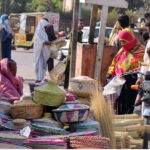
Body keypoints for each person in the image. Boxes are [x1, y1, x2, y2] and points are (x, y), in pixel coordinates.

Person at [107, 16, 145, 114]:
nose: (123, 44)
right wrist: (110, 72)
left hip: (133, 83)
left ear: (130, 39)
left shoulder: (141, 51)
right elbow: (114, 62)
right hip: (120, 83)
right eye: (121, 42)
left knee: (129, 106)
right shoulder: (122, 50)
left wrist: (131, 74)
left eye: (124, 41)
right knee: (120, 106)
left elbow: (144, 66)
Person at [64, 19, 84, 89]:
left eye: (82, 24)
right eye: (80, 23)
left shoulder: (81, 33)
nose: (82, 25)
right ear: (76, 24)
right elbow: (74, 45)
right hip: (72, 55)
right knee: (68, 72)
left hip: (78, 55)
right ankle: (67, 88)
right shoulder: (73, 33)